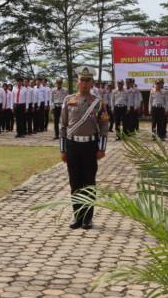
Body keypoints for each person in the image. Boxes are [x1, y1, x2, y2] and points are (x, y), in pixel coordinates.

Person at [59, 66, 109, 230]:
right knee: (75, 183)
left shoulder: (98, 102)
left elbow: (103, 125)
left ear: (92, 83)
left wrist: (101, 148)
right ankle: (77, 217)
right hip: (73, 146)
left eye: (88, 80)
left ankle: (88, 218)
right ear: (77, 82)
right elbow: (63, 125)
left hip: (90, 146)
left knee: (89, 182)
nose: (85, 83)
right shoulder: (68, 100)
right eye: (82, 80)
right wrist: (63, 149)